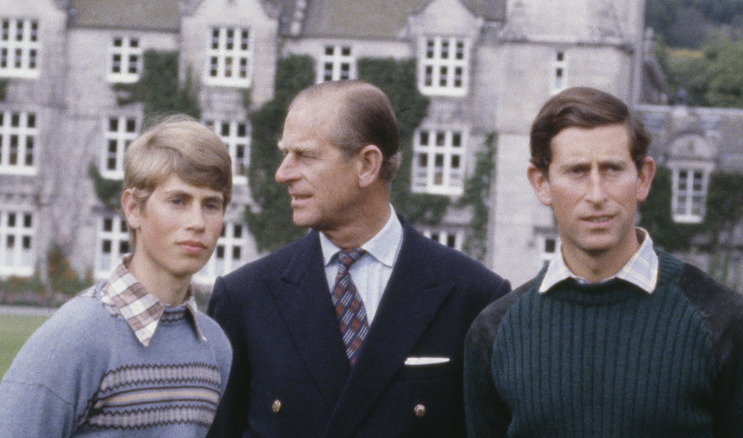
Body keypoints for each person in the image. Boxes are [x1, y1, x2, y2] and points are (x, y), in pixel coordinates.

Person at [464, 86, 743, 437]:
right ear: (541, 184)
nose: (597, 195)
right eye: (577, 172)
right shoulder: (495, 333)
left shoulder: (724, 322)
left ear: (643, 178)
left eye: (613, 169)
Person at [207, 79, 511, 437]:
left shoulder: (475, 296)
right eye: (284, 154)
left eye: (304, 155)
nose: (282, 173)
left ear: (367, 165)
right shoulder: (245, 298)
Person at [0, 116, 234, 437]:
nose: (197, 221)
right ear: (133, 209)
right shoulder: (77, 335)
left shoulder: (215, 348)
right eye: (178, 201)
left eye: (211, 205)